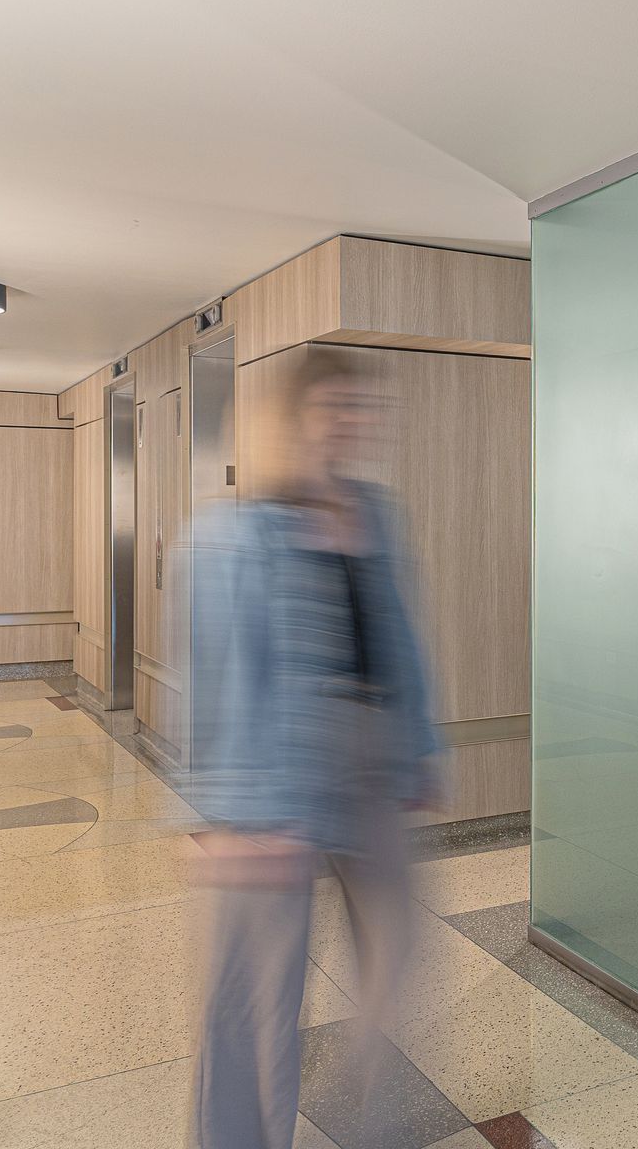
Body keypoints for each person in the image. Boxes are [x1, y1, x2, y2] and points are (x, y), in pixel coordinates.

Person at [184, 352, 440, 1149]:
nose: (350, 423)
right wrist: (236, 814)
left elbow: (400, 634)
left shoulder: (376, 510)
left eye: (361, 408)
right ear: (293, 419)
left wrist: (420, 747)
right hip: (280, 764)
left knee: (399, 950)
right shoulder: (240, 530)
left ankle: (367, 1120)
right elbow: (219, 675)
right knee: (259, 994)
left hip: (373, 750)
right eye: (333, 406)